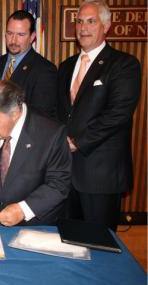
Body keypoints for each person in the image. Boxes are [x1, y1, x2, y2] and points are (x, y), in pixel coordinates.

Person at [57, 0, 141, 231]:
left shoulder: (124, 64)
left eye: (91, 21)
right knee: (69, 241)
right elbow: (59, 113)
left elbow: (118, 114)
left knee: (100, 246)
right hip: (65, 173)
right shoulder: (66, 66)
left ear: (106, 25)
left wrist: (77, 143)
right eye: (80, 21)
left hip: (100, 175)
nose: (83, 28)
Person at [0, 80, 71, 226]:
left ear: (14, 113)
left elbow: (59, 184)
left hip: (33, 227)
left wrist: (23, 209)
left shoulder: (51, 134)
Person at [0, 10, 57, 118]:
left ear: (32, 37)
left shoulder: (44, 69)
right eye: (10, 33)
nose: (13, 40)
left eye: (20, 35)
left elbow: (40, 115)